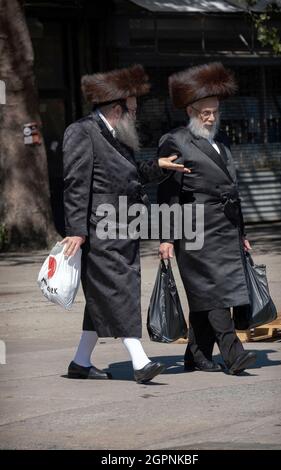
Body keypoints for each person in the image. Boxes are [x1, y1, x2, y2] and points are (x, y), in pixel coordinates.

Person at [61, 64, 190, 384]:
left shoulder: (117, 136)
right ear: (116, 109)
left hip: (124, 227)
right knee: (121, 291)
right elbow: (75, 184)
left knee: (103, 297)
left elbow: (131, 178)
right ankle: (140, 360)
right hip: (99, 230)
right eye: (132, 110)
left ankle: (80, 362)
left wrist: (158, 167)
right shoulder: (82, 131)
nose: (136, 115)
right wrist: (76, 231)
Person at [157, 62, 257, 375]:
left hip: (225, 230)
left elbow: (234, 193)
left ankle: (196, 355)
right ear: (190, 111)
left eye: (214, 111)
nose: (211, 117)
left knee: (206, 294)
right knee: (215, 293)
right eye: (205, 112)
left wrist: (242, 233)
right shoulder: (175, 141)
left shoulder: (221, 145)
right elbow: (168, 192)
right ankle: (234, 353)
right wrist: (165, 237)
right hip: (195, 231)